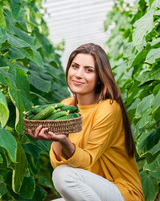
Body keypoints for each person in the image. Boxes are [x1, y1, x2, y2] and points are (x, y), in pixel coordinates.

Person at [28, 43, 145, 201]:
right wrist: (56, 139)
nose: (78, 74)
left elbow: (85, 161)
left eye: (89, 70)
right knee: (60, 177)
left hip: (121, 192)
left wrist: (66, 142)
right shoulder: (67, 105)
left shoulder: (109, 108)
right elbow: (60, 165)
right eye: (75, 66)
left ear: (99, 78)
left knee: (62, 175)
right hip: (91, 192)